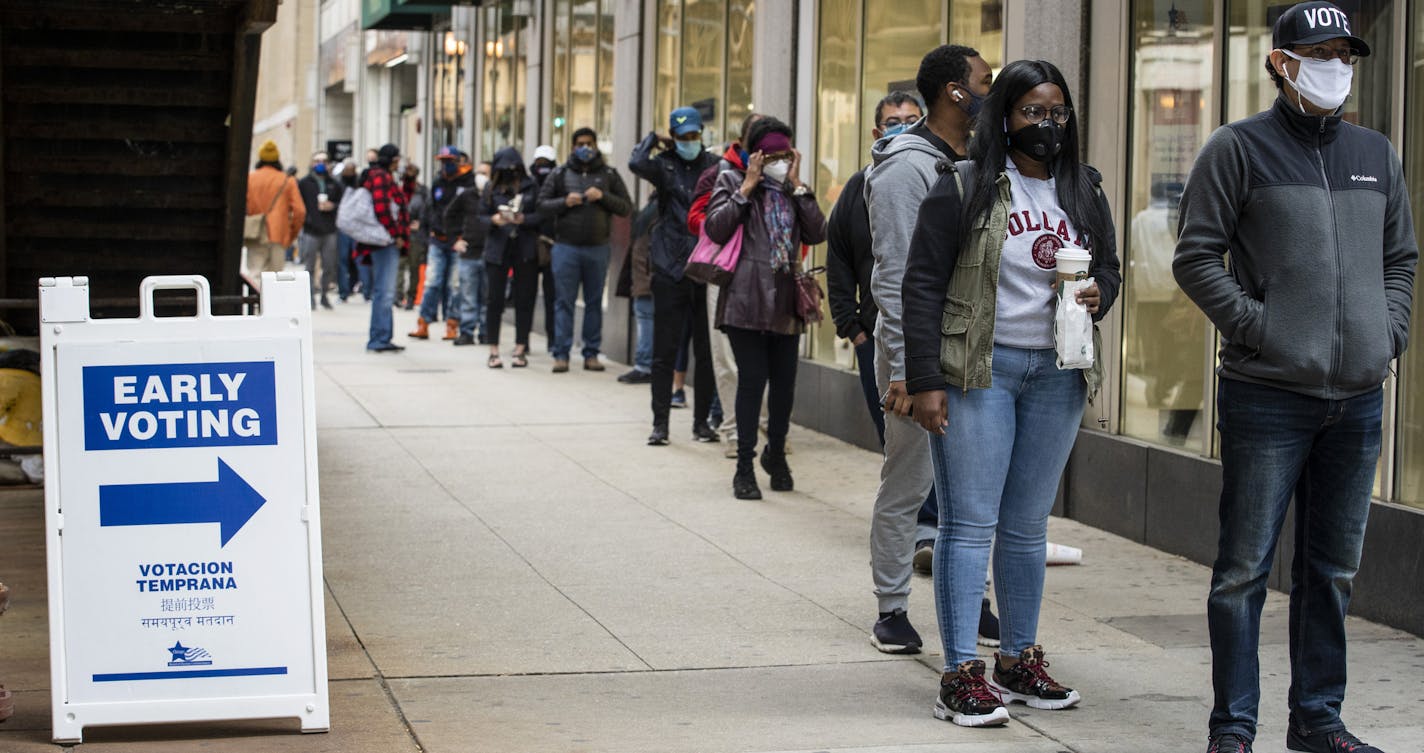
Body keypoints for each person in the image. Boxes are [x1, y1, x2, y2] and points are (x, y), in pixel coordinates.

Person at [1173, 5, 1416, 753]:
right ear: (1281, 63)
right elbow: (1195, 257)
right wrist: (1260, 327)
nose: (1336, 65)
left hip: (1359, 399)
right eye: (1319, 52)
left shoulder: (1376, 152)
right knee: (1243, 570)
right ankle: (1233, 727)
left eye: (1345, 52)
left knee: (1333, 571)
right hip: (1268, 395)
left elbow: (1401, 260)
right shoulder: (1237, 149)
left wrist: (1388, 330)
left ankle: (1317, 718)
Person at [902, 59, 1120, 727]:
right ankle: (961, 671)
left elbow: (1108, 268)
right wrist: (924, 382)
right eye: (1032, 111)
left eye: (1057, 112)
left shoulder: (1086, 189)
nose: (1047, 124)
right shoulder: (964, 185)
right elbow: (921, 286)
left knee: (1027, 527)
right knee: (969, 524)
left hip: (1058, 372)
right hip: (980, 371)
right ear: (1004, 116)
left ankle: (1018, 659)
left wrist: (1099, 293)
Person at [864, 45, 995, 656]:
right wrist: (903, 371)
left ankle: (976, 600)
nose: (992, 91)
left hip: (976, 347)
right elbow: (894, 277)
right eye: (984, 81)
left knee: (977, 488)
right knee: (909, 481)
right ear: (954, 91)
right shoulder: (904, 168)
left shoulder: (985, 158)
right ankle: (891, 607)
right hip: (915, 349)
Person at [703, 116, 826, 499]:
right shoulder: (729, 180)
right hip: (745, 299)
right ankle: (744, 466)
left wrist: (798, 186)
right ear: (754, 154)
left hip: (787, 300)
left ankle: (776, 453)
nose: (777, 160)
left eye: (784, 154)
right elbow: (715, 228)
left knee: (785, 385)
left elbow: (817, 231)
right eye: (770, 154)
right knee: (752, 382)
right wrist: (748, 186)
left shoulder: (793, 189)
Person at [828, 91, 923, 446]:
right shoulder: (857, 188)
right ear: (876, 132)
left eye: (912, 121)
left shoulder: (939, 177)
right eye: (893, 123)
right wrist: (854, 330)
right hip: (876, 338)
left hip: (931, 338)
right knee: (894, 443)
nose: (903, 129)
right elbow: (837, 259)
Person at [630, 106, 722, 445]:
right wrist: (654, 139)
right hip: (670, 266)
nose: (689, 142)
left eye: (694, 135)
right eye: (683, 137)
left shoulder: (713, 165)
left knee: (706, 350)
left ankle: (702, 423)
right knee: (664, 350)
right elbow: (636, 163)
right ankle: (660, 423)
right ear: (674, 137)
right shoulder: (663, 165)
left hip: (705, 265)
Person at [689, 113, 763, 455]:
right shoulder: (718, 174)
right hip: (727, 273)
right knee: (727, 356)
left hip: (768, 277)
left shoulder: (780, 175)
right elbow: (698, 221)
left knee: (769, 357)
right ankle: (734, 429)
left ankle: (765, 426)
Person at [536, 127, 633, 372]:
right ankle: (561, 354)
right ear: (572, 146)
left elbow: (625, 207)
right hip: (566, 248)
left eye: (589, 143)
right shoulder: (560, 174)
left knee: (593, 303)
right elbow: (542, 205)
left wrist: (602, 196)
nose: (585, 148)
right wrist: (564, 202)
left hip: (597, 248)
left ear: (596, 145)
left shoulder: (609, 174)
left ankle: (591, 353)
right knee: (564, 302)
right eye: (580, 143)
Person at [474, 147, 543, 367]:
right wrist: (494, 220)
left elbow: (542, 215)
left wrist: (524, 219)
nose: (509, 172)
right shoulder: (490, 188)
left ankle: (520, 348)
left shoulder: (531, 186)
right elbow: (479, 216)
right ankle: (493, 349)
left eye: (513, 168)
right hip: (498, 248)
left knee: (525, 298)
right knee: (494, 299)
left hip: (524, 248)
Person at [411, 146, 478, 341]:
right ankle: (424, 322)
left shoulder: (469, 183)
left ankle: (452, 324)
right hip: (437, 239)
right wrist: (426, 234)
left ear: (459, 161)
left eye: (450, 161)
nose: (446, 165)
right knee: (433, 282)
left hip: (458, 241)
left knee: (455, 285)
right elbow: (429, 210)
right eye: (443, 161)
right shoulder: (438, 182)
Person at [359, 143, 411, 353]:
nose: (400, 163)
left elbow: (400, 202)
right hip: (384, 242)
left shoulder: (384, 176)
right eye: (398, 159)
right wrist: (395, 234)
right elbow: (382, 208)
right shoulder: (380, 176)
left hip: (384, 241)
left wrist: (409, 179)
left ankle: (383, 336)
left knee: (384, 291)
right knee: (385, 291)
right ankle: (379, 338)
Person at [245, 140, 305, 284]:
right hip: (279, 233)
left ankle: (257, 304)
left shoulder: (249, 179)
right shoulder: (287, 180)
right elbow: (300, 211)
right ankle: (270, 306)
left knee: (255, 274)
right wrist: (291, 235)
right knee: (275, 279)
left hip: (255, 232)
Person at [617, 198, 659, 384]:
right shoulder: (654, 205)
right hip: (643, 277)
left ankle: (644, 366)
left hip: (648, 278)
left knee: (646, 319)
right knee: (645, 318)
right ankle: (645, 365)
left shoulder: (659, 207)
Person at [297, 150, 344, 310]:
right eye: (317, 161)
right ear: (312, 163)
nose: (320, 164)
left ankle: (324, 295)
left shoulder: (335, 184)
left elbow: (342, 205)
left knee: (329, 265)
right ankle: (309, 297)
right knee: (309, 267)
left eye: (324, 161)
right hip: (311, 230)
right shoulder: (304, 183)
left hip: (329, 230)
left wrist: (333, 206)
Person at [529, 145, 561, 346]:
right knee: (527, 295)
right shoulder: (528, 184)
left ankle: (552, 339)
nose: (543, 168)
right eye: (539, 163)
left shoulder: (559, 181)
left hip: (553, 244)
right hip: (531, 245)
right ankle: (524, 339)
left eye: (546, 163)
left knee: (553, 296)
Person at [398, 162, 431, 310]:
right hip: (400, 233)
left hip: (416, 234)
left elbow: (429, 210)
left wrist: (422, 224)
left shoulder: (423, 192)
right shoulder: (398, 190)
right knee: (399, 265)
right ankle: (397, 295)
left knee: (414, 266)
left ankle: (411, 296)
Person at [337, 159, 360, 302]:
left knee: (357, 259)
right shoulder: (338, 184)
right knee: (343, 260)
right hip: (343, 227)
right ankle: (343, 291)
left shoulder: (359, 184)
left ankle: (355, 286)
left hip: (357, 227)